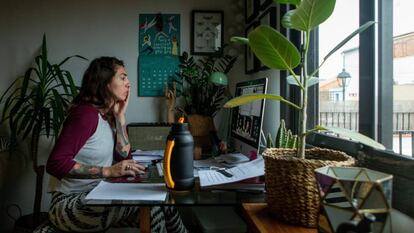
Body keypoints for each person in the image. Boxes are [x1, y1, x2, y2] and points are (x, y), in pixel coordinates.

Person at [35, 57, 187, 233]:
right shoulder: (85, 115)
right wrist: (108, 171)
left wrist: (120, 117)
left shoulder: (106, 118)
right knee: (152, 206)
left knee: (166, 202)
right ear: (105, 82)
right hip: (69, 205)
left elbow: (124, 158)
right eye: (122, 77)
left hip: (96, 195)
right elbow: (55, 164)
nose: (128, 83)